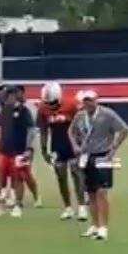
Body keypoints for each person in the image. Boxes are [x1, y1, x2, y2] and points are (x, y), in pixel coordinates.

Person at [69, 89, 128, 241]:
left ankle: (103, 227)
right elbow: (71, 131)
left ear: (96, 100)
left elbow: (124, 130)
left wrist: (113, 148)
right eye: (85, 101)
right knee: (91, 192)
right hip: (86, 156)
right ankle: (94, 224)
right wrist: (75, 146)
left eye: (90, 100)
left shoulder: (107, 114)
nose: (87, 103)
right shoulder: (80, 116)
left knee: (102, 192)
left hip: (103, 156)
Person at [0, 84, 38, 216]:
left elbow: (31, 131)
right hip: (5, 150)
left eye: (9, 95)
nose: (6, 98)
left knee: (18, 178)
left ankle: (18, 205)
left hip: (19, 150)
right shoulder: (4, 111)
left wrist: (29, 149)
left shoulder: (24, 111)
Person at [38, 81, 85, 219]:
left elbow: (82, 127)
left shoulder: (72, 104)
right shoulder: (42, 108)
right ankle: (68, 207)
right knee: (61, 175)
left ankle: (82, 206)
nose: (51, 106)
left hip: (72, 143)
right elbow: (43, 130)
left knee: (77, 174)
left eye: (53, 103)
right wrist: (43, 149)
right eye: (48, 103)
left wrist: (81, 146)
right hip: (57, 145)